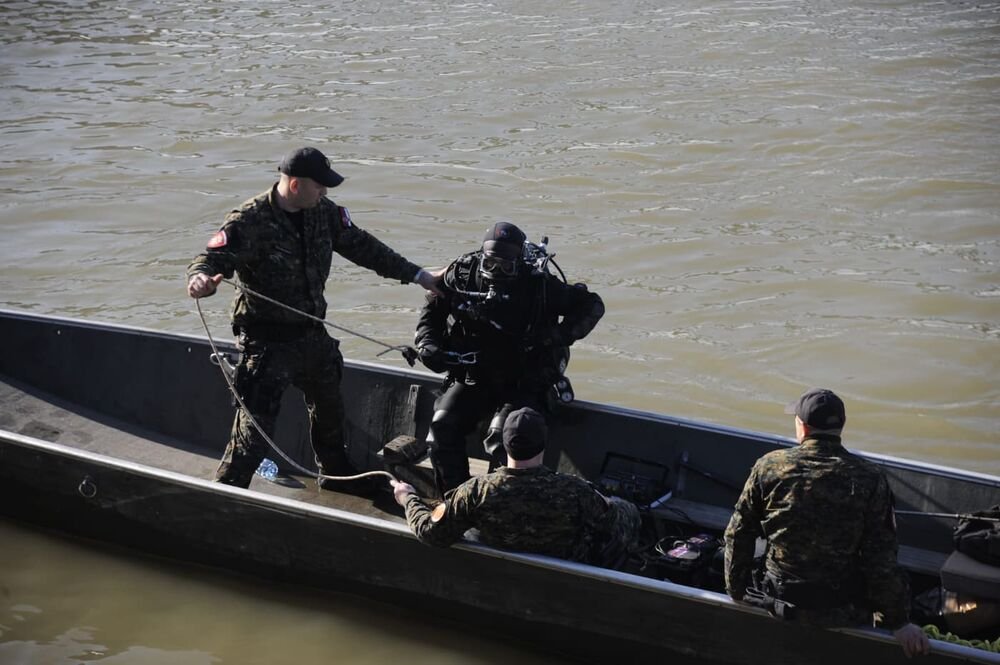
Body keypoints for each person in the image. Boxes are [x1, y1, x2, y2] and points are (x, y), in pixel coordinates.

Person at [186, 146, 442, 491]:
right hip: (266, 344)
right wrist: (200, 280)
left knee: (330, 412)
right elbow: (209, 260)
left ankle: (336, 476)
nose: (324, 192)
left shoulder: (323, 213)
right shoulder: (250, 220)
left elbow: (365, 248)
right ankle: (229, 491)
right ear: (295, 184)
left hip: (312, 335)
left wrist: (418, 275)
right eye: (319, 186)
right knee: (254, 430)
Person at [723, 388, 931, 659]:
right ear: (841, 426)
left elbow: (738, 533)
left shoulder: (769, 467)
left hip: (780, 603)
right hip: (843, 611)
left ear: (802, 426)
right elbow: (880, 557)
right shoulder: (871, 477)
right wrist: (899, 622)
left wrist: (736, 591)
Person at [413, 221, 604, 495]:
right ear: (481, 258)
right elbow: (431, 313)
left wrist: (556, 335)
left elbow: (592, 305)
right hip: (475, 375)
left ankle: (502, 506)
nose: (496, 272)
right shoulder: (463, 274)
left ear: (519, 264)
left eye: (506, 266)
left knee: (504, 440)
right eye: (490, 264)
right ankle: (457, 502)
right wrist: (427, 344)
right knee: (441, 427)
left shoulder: (538, 285)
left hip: (524, 379)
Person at [390, 407, 641, 568]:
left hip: (497, 568)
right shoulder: (576, 492)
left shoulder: (476, 491)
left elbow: (429, 532)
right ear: (544, 443)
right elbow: (621, 523)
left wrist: (407, 498)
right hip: (563, 573)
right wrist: (618, 505)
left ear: (504, 443)